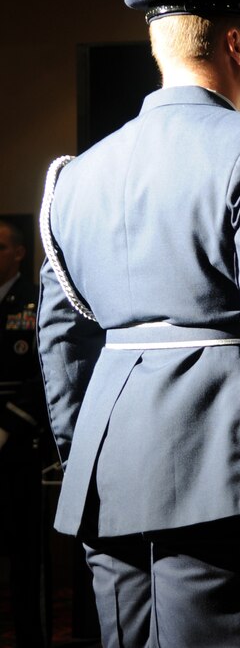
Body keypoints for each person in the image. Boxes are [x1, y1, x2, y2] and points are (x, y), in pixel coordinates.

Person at [36, 0, 240, 648]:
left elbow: (61, 340)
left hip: (108, 476)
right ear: (235, 44)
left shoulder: (75, 175)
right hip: (218, 470)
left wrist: (94, 456)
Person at [1, 219, 49, 647]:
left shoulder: (32, 302)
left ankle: (33, 638)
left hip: (17, 444)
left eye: (0, 247)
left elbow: (41, 375)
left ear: (17, 252)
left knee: (24, 556)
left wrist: (8, 425)